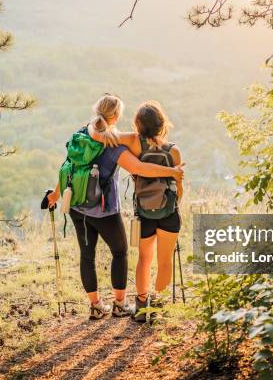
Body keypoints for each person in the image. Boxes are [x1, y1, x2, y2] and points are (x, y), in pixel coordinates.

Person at [47, 95, 184, 320]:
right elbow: (141, 168)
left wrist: (57, 193)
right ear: (117, 116)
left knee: (88, 256)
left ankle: (96, 306)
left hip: (77, 206)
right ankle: (123, 304)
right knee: (120, 252)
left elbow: (69, 166)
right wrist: (172, 173)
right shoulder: (116, 146)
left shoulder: (83, 134)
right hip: (104, 211)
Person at [88, 100, 183, 322]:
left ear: (137, 124)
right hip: (169, 212)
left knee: (144, 259)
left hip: (143, 212)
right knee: (165, 261)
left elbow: (96, 135)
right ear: (162, 124)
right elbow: (179, 190)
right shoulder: (174, 151)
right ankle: (156, 306)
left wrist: (95, 121)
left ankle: (141, 308)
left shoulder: (132, 141)